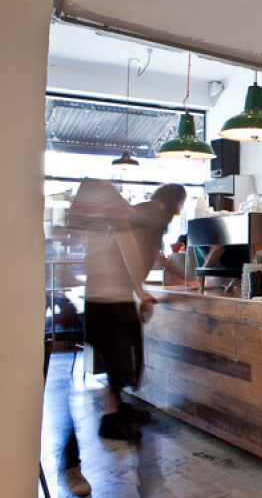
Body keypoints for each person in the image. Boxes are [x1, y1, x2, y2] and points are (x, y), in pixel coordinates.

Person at [72, 181, 187, 440]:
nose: (180, 210)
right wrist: (140, 290)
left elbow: (150, 253)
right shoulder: (150, 215)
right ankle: (111, 419)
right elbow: (136, 249)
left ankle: (118, 409)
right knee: (123, 359)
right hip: (112, 298)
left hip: (106, 295)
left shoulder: (129, 216)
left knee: (123, 357)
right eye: (181, 203)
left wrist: (142, 288)